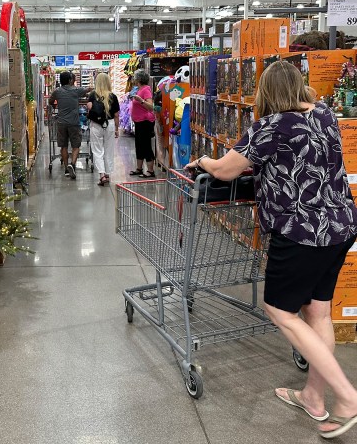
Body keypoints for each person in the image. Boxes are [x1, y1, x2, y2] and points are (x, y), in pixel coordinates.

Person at [185, 60, 357, 440]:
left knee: (280, 309)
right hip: (341, 225)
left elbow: (227, 169)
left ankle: (346, 396)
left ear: (266, 93)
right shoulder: (326, 114)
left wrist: (203, 160)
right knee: (318, 311)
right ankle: (314, 395)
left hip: (301, 233)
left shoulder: (271, 126)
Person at [48, 71, 88, 180]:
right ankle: (73, 164)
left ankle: (66, 168)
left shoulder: (57, 91)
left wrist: (55, 104)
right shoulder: (76, 90)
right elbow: (87, 91)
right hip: (74, 123)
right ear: (70, 80)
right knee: (76, 146)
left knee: (63, 146)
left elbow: (50, 101)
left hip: (61, 123)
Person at [87, 73, 120, 186]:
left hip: (96, 124)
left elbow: (90, 108)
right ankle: (107, 173)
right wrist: (117, 129)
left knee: (97, 150)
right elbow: (116, 115)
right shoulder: (113, 96)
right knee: (109, 150)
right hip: (109, 124)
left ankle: (101, 175)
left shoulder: (92, 95)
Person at [129, 69, 156, 178]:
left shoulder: (146, 90)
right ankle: (139, 168)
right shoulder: (138, 89)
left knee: (145, 145)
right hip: (139, 122)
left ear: (139, 79)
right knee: (139, 145)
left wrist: (141, 100)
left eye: (135, 77)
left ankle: (150, 171)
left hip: (145, 122)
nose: (133, 79)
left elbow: (151, 107)